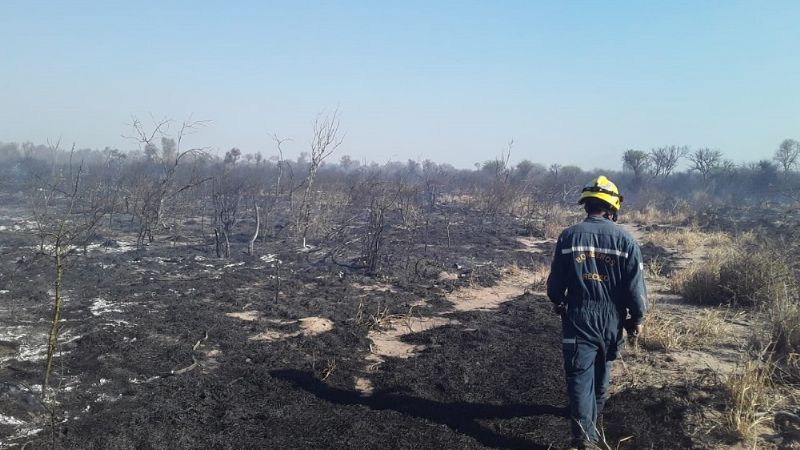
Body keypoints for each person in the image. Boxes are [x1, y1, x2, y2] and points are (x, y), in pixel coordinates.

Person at [546, 175, 647, 449]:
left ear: (586, 205)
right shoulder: (627, 241)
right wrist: (636, 318)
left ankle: (584, 439)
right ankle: (594, 417)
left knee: (580, 378)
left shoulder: (569, 236)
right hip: (612, 319)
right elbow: (635, 288)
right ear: (613, 208)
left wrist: (557, 301)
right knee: (603, 372)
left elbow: (556, 283)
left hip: (578, 316)